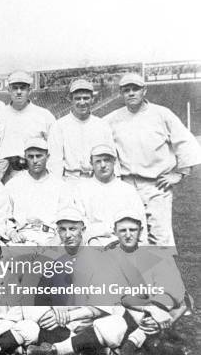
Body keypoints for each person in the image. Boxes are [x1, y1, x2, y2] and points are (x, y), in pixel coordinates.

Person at [105, 73, 201, 246]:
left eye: (136, 89)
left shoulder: (162, 114)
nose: (131, 93)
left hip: (156, 185)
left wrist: (181, 173)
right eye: (126, 90)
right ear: (121, 93)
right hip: (126, 185)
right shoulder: (112, 119)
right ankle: (136, 273)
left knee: (160, 236)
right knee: (131, 235)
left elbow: (186, 142)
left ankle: (163, 273)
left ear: (144, 91)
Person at [26, 207, 129, 355]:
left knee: (116, 324)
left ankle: (56, 349)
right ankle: (94, 347)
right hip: (63, 322)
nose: (68, 235)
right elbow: (38, 291)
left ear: (83, 230)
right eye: (63, 229)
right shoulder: (51, 257)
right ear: (57, 232)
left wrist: (68, 314)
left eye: (73, 229)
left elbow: (101, 306)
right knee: (31, 312)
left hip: (90, 320)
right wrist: (55, 305)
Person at [106, 211, 190, 355]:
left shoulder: (154, 252)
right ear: (115, 232)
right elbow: (120, 295)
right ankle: (156, 341)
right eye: (123, 230)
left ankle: (136, 340)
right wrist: (152, 309)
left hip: (151, 304)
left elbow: (171, 286)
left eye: (133, 230)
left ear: (141, 231)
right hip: (129, 307)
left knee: (183, 299)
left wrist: (158, 308)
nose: (128, 235)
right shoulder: (111, 254)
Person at [47, 79, 116, 187]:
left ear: (92, 99)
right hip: (70, 181)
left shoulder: (102, 125)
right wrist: (57, 188)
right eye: (78, 98)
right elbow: (55, 162)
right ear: (71, 99)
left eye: (86, 98)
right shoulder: (59, 126)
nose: (82, 102)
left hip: (97, 181)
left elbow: (112, 158)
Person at [75, 144, 147, 246]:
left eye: (107, 160)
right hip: (92, 243)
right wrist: (92, 239)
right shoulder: (81, 189)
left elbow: (140, 224)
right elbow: (78, 223)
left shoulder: (128, 190)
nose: (103, 165)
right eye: (98, 161)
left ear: (114, 162)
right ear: (91, 163)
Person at [5, 138, 68, 245]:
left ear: (47, 157)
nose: (35, 160)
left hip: (51, 237)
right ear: (25, 157)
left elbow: (67, 216)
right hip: (23, 236)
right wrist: (12, 233)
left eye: (39, 156)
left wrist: (58, 238)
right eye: (30, 156)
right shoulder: (13, 185)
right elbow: (4, 217)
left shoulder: (60, 185)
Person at [0, 71, 56, 182]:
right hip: (7, 173)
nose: (19, 92)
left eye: (23, 88)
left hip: (35, 172)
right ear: (9, 90)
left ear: (30, 90)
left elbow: (54, 149)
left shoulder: (44, 115)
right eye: (15, 88)